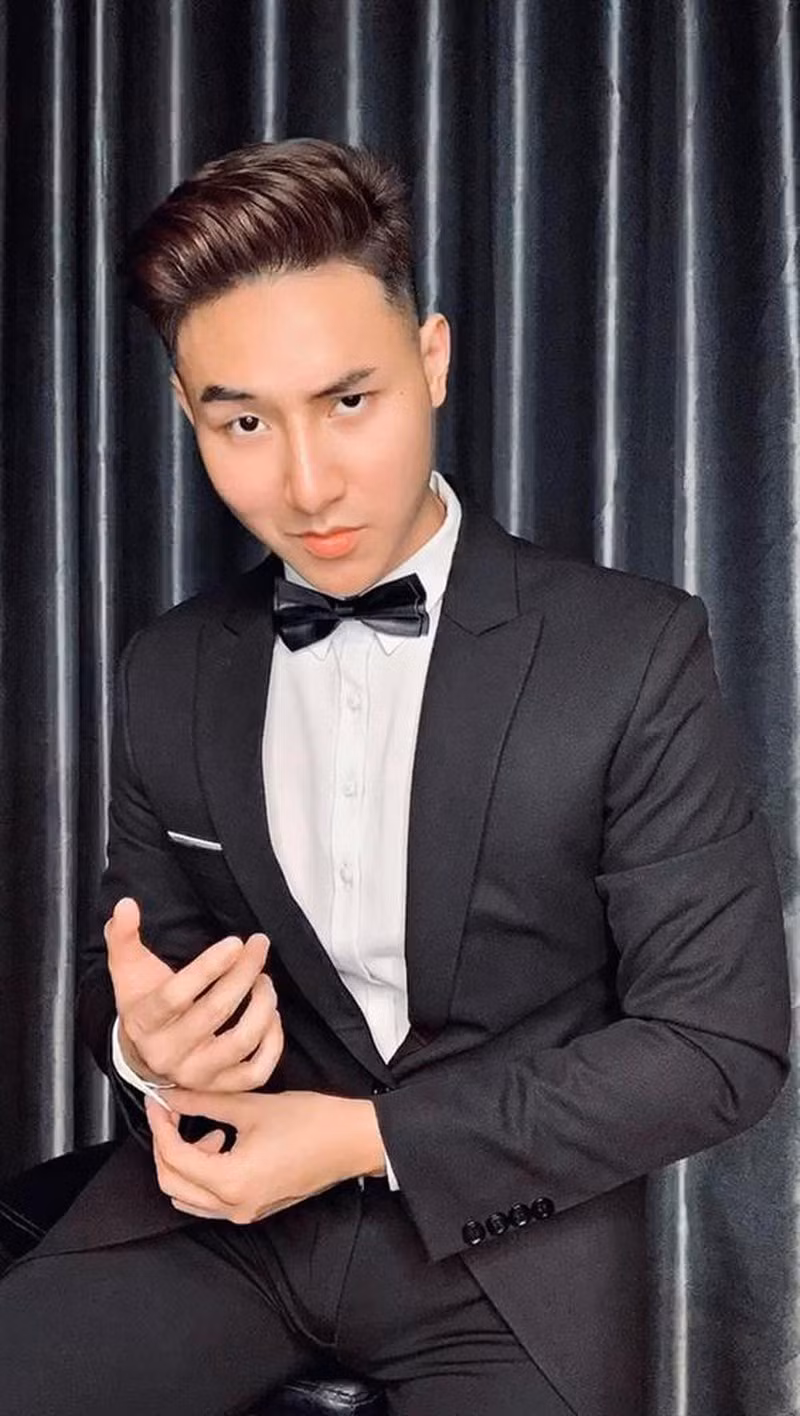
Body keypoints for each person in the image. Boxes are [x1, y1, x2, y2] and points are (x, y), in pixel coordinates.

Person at [0, 137, 790, 1416]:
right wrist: (145, 1046)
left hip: (510, 1255)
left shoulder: (631, 651)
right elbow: (129, 970)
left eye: (348, 402)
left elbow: (717, 1047)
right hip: (215, 1225)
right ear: (189, 414)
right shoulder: (168, 668)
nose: (306, 483)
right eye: (243, 423)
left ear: (430, 360)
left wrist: (363, 1140)